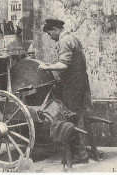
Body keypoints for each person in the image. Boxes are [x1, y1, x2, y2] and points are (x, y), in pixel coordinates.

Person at [38, 18, 91, 164]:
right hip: (80, 83)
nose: (50, 37)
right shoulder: (73, 38)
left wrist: (46, 67)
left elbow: (64, 65)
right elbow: (69, 61)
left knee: (70, 117)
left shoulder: (64, 41)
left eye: (50, 34)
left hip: (72, 86)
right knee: (77, 117)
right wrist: (52, 64)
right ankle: (81, 151)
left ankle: (80, 155)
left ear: (55, 29)